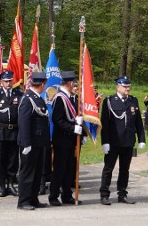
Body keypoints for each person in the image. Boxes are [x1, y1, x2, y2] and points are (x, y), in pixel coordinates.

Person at [99, 76, 145, 205]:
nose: (128, 89)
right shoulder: (109, 101)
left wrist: (141, 138)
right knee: (108, 168)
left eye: (129, 86)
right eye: (125, 86)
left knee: (125, 169)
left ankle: (122, 194)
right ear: (118, 87)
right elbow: (105, 123)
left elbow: (138, 122)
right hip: (113, 141)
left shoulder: (133, 100)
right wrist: (105, 141)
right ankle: (104, 194)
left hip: (128, 140)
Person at [16, 72, 51, 210]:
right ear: (42, 84)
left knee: (36, 173)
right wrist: (26, 143)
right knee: (27, 173)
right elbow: (24, 122)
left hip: (39, 142)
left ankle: (33, 199)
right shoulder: (28, 99)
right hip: (30, 143)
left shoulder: (38, 98)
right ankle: (23, 201)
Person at [48, 71, 83, 206]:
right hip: (61, 139)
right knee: (59, 168)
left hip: (70, 139)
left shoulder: (71, 98)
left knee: (69, 168)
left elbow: (72, 117)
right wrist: (72, 128)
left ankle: (67, 195)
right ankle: (53, 196)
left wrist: (78, 125)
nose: (75, 85)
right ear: (69, 83)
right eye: (74, 83)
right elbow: (57, 120)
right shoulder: (60, 98)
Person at [0, 71, 22, 197]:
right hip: (0, 132)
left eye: (10, 81)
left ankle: (11, 184)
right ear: (1, 82)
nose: (8, 83)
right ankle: (1, 185)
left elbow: (20, 116)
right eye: (6, 81)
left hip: (14, 131)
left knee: (13, 161)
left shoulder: (18, 95)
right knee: (0, 160)